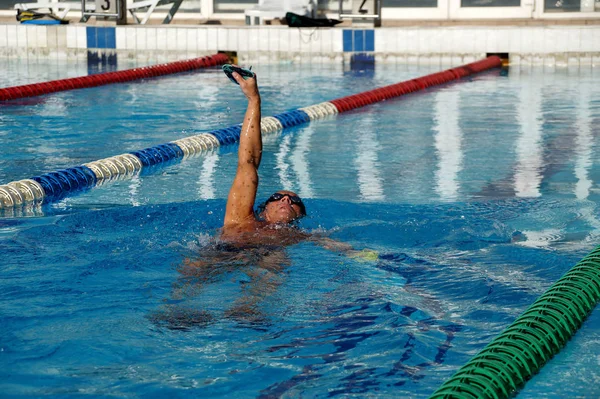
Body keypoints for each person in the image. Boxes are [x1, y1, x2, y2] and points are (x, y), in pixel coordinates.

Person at [219, 69, 309, 248]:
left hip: (268, 261)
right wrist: (254, 100)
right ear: (264, 209)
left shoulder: (302, 238)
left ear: (300, 216)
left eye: (295, 201)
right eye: (277, 196)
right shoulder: (240, 219)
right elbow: (248, 162)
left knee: (275, 261)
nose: (285, 200)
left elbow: (347, 251)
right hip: (221, 255)